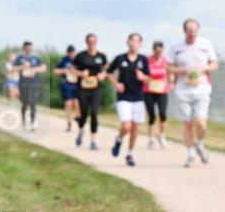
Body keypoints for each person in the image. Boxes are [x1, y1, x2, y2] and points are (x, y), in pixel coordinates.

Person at [168, 18, 219, 167]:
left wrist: (204, 68)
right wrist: (181, 71)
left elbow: (215, 64)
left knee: (201, 123)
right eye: (189, 31)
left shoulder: (205, 44)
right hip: (183, 90)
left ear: (198, 31)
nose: (192, 34)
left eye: (194, 31)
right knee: (188, 124)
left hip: (202, 88)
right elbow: (169, 67)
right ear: (184, 31)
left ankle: (200, 144)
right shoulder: (176, 48)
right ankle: (190, 154)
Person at [107, 33, 150, 166]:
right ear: (128, 42)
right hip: (124, 97)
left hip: (138, 97)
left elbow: (149, 79)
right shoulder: (120, 58)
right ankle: (119, 139)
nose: (134, 43)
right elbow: (108, 72)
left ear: (140, 44)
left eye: (137, 41)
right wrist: (116, 84)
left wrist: (143, 77)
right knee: (126, 126)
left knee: (135, 128)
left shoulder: (143, 59)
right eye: (132, 40)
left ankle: (130, 154)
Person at [72, 33, 109, 150]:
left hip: (96, 88)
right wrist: (80, 74)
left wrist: (103, 75)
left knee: (94, 112)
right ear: (86, 42)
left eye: (94, 41)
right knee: (83, 113)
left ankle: (93, 140)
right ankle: (81, 131)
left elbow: (107, 69)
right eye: (90, 41)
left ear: (96, 42)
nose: (92, 43)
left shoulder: (102, 56)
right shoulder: (81, 56)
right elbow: (71, 68)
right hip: (83, 88)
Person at [13, 41, 47, 131]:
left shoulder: (36, 57)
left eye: (31, 48)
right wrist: (22, 67)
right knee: (25, 103)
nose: (29, 50)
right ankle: (24, 120)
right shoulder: (19, 58)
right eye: (27, 48)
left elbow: (44, 68)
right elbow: (14, 68)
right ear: (24, 48)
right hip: (23, 83)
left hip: (33, 83)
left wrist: (34, 69)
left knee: (33, 102)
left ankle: (33, 121)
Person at [144, 40, 170, 149]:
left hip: (162, 91)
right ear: (153, 50)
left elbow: (170, 72)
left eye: (160, 51)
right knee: (152, 115)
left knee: (163, 114)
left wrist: (171, 82)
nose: (158, 53)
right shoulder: (147, 60)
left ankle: (162, 136)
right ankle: (150, 138)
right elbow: (142, 74)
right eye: (156, 51)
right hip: (149, 91)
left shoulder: (165, 61)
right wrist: (147, 79)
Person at [53, 45, 80, 131]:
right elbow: (55, 71)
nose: (71, 54)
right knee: (68, 104)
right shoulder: (63, 60)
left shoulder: (79, 60)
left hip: (76, 84)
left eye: (72, 52)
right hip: (66, 84)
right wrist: (64, 70)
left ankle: (79, 121)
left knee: (77, 103)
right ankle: (69, 123)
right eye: (69, 52)